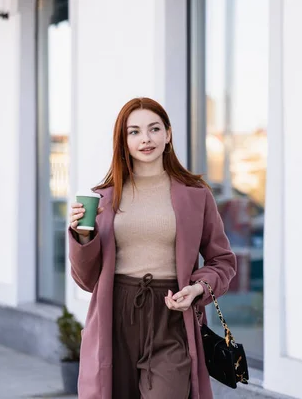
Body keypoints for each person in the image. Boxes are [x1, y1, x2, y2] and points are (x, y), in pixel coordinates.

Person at [68, 97, 237, 399]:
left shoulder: (196, 195)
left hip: (171, 315)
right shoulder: (103, 199)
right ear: (123, 140)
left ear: (168, 134)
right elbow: (85, 280)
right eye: (134, 131)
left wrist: (198, 289)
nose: (145, 139)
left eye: (154, 129)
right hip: (115, 315)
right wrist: (82, 237)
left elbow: (222, 261)